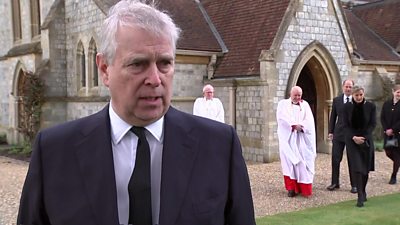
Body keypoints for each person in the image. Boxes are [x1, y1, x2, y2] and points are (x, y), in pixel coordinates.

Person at [17, 1, 256, 225]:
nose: (154, 79)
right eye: (137, 64)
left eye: (164, 63)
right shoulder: (54, 152)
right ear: (104, 69)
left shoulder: (220, 147)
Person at [276, 86, 317, 197]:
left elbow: (309, 121)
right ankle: (291, 189)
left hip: (302, 139)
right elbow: (281, 118)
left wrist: (302, 127)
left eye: (299, 95)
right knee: (289, 165)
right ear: (291, 94)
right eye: (296, 95)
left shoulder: (305, 105)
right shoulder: (283, 104)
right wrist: (293, 125)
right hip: (289, 139)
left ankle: (304, 189)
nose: (298, 97)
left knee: (304, 163)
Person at [342, 86, 376, 207]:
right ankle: (360, 195)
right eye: (357, 95)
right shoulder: (346, 107)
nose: (359, 97)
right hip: (352, 141)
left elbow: (372, 124)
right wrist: (354, 137)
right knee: (357, 168)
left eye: (361, 95)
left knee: (365, 170)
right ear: (352, 95)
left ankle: (363, 190)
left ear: (363, 94)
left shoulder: (370, 106)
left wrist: (364, 138)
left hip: (366, 140)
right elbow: (345, 125)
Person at [327, 79, 357, 193]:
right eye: (346, 86)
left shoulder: (356, 100)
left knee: (352, 160)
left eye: (350, 87)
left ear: (352, 88)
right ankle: (335, 182)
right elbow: (333, 117)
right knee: (335, 158)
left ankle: (354, 185)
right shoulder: (337, 100)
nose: (348, 89)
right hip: (338, 134)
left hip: (352, 135)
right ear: (343, 87)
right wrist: (331, 131)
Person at [380, 84, 400, 185]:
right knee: (388, 152)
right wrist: (386, 129)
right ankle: (398, 162)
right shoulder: (387, 104)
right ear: (393, 92)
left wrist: (393, 129)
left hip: (398, 134)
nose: (399, 94)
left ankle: (393, 176)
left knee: (396, 154)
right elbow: (382, 117)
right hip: (388, 134)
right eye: (397, 92)